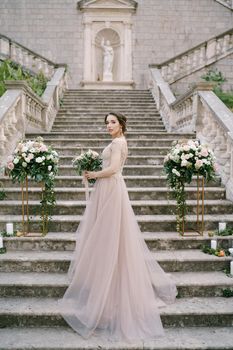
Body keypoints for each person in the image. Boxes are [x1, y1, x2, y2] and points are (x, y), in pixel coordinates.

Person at [58, 112, 177, 342]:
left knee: (109, 236)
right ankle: (107, 287)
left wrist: (93, 174)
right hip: (111, 188)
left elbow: (113, 169)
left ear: (122, 124)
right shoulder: (121, 142)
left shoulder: (117, 142)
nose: (108, 126)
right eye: (106, 123)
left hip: (111, 188)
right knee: (110, 237)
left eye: (112, 122)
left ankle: (109, 296)